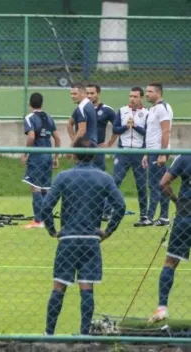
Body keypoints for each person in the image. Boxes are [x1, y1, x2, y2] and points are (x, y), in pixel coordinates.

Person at [40, 136, 126, 335]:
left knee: (59, 286)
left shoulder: (63, 177)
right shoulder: (104, 178)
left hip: (68, 238)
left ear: (74, 154)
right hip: (91, 239)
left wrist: (53, 230)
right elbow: (120, 206)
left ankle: (49, 333)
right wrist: (108, 230)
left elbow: (46, 207)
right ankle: (85, 334)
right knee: (86, 287)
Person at [148, 155, 191, 323]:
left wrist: (177, 201)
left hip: (185, 214)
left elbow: (163, 183)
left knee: (170, 262)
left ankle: (162, 308)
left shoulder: (184, 157)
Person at [21, 92, 61, 229]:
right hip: (48, 156)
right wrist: (55, 157)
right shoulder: (49, 117)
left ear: (29, 104)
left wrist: (26, 154)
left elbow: (31, 137)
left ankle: (38, 221)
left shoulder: (29, 117)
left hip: (37, 156)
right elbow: (57, 138)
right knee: (45, 189)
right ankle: (46, 219)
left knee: (36, 188)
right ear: (42, 104)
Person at [112, 87, 149, 226]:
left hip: (139, 153)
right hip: (123, 152)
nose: (132, 99)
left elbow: (149, 133)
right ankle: (107, 211)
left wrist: (135, 127)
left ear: (141, 98)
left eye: (135, 96)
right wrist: (125, 128)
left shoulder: (146, 113)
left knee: (141, 186)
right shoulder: (122, 111)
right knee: (115, 182)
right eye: (130, 96)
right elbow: (115, 129)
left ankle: (144, 215)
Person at [142, 83, 173, 226]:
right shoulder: (152, 109)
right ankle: (163, 217)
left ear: (158, 92)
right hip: (152, 151)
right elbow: (151, 133)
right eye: (146, 91)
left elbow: (166, 131)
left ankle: (150, 217)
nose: (146, 94)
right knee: (157, 184)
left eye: (149, 91)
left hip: (159, 151)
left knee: (156, 184)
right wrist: (146, 154)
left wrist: (162, 153)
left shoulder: (162, 108)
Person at [85, 84, 117, 171]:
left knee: (99, 175)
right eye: (87, 93)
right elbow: (70, 124)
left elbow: (117, 127)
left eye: (92, 93)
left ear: (98, 94)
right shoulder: (82, 109)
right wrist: (74, 141)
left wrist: (109, 143)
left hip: (98, 149)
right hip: (83, 148)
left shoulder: (107, 110)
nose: (89, 96)